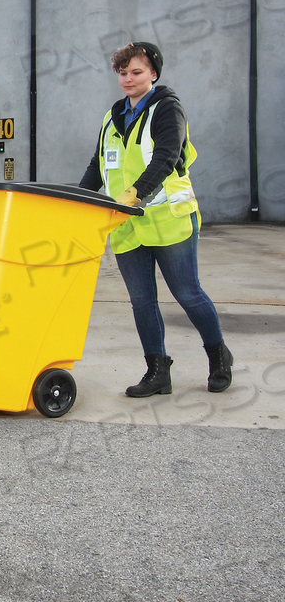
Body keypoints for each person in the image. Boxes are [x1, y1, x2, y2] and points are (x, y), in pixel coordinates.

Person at [79, 41, 232, 397]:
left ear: (153, 74)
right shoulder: (112, 116)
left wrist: (135, 192)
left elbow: (167, 156)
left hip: (168, 220)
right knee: (141, 301)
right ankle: (157, 371)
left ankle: (219, 356)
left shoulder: (167, 109)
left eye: (136, 72)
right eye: (123, 73)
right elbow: (98, 165)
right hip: (126, 224)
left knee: (188, 294)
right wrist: (80, 199)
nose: (128, 79)